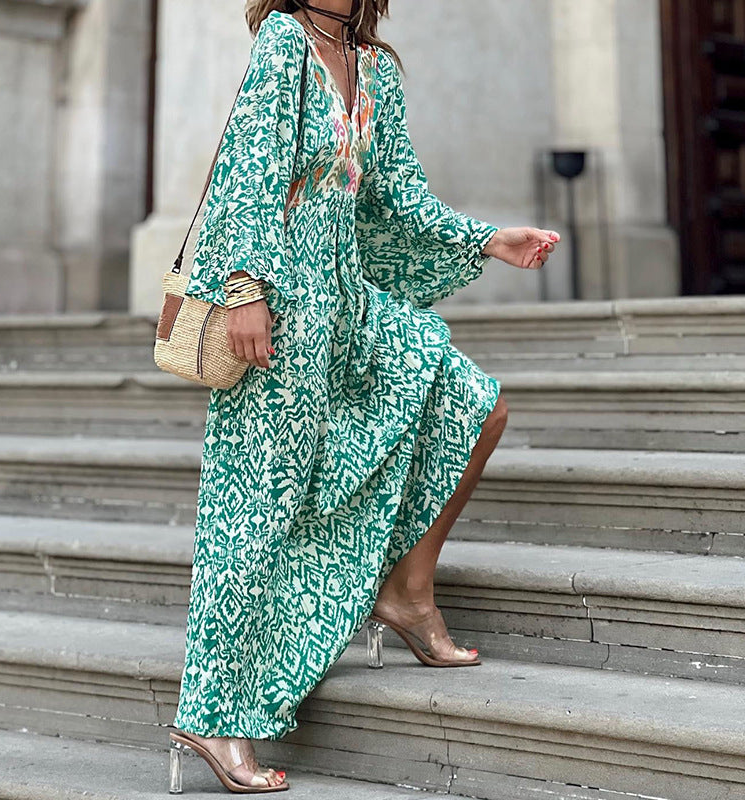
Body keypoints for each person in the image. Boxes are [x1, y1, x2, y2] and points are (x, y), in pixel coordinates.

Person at [167, 0, 561, 793]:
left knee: (473, 404)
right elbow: (247, 170)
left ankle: (408, 594)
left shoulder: (375, 68)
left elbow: (396, 199)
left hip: (348, 302)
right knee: (257, 508)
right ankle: (215, 715)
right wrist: (245, 290)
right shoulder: (283, 43)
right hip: (279, 307)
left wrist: (488, 237)